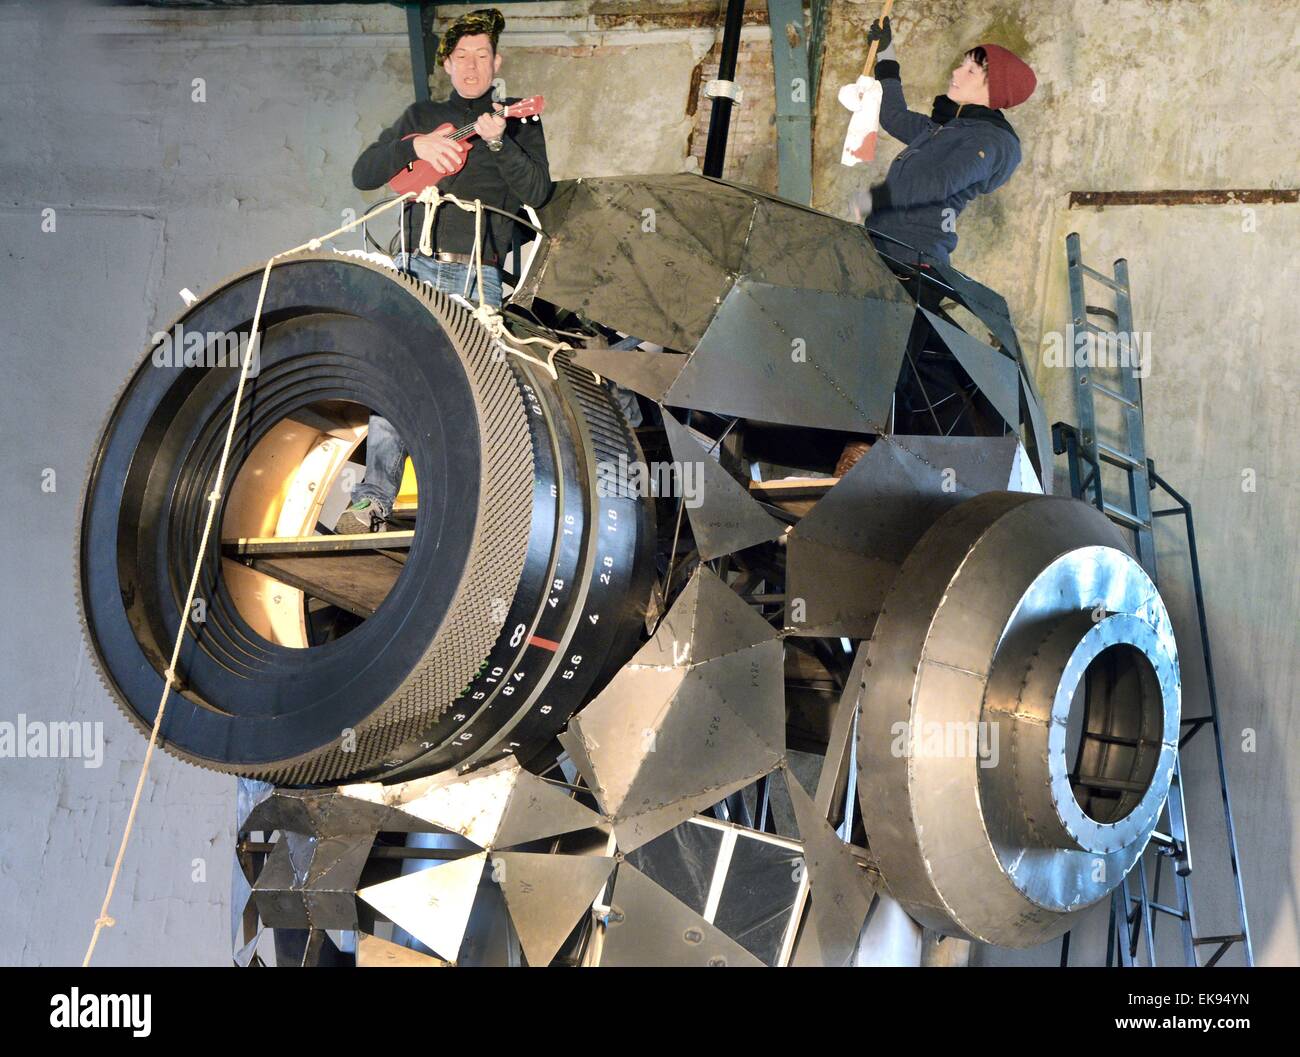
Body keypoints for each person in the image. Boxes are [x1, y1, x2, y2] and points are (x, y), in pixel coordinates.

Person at [337, 7, 552, 534]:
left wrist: (499, 141)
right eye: (462, 57)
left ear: (496, 61)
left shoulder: (519, 121)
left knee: (470, 394)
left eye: (482, 56)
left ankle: (467, 515)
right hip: (415, 265)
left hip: (477, 274)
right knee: (398, 381)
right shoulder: (420, 115)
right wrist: (416, 145)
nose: (473, 66)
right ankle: (372, 502)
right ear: (448, 65)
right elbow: (364, 173)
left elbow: (539, 193)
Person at [853, 17, 1036, 268]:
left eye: (970, 70)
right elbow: (894, 117)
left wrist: (877, 198)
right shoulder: (945, 129)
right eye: (962, 65)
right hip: (882, 246)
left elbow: (942, 182)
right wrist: (886, 52)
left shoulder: (991, 141)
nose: (956, 72)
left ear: (994, 90)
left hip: (916, 262)